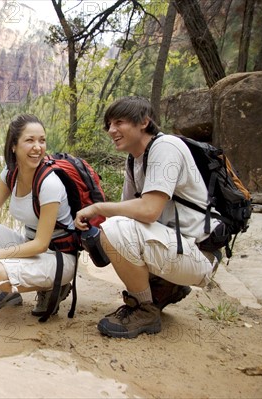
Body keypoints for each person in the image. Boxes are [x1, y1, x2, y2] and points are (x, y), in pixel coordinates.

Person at [74, 96, 220, 339]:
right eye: (109, 124)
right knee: (112, 231)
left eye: (119, 122)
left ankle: (144, 308)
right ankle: (166, 288)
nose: (111, 130)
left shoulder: (166, 147)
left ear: (144, 122)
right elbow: (130, 211)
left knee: (115, 229)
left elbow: (149, 210)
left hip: (200, 254)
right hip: (179, 247)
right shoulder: (135, 160)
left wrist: (98, 208)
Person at [0, 114, 75, 315]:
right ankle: (8, 293)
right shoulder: (11, 173)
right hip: (31, 247)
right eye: (30, 140)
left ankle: (53, 287)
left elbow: (41, 244)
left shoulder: (49, 183)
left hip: (58, 256)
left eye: (42, 140)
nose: (38, 147)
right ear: (14, 146)